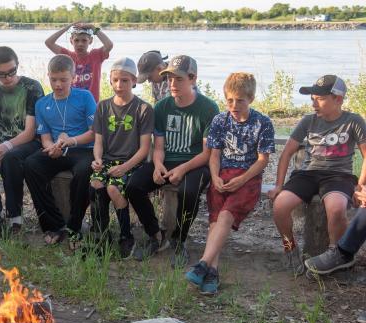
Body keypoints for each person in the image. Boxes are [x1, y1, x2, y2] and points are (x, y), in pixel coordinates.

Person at [125, 55, 219, 268]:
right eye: (169, 79)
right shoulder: (162, 107)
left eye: (179, 79)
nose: (173, 84)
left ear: (193, 78)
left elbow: (207, 154)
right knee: (133, 186)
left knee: (189, 191)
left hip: (195, 163)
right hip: (167, 161)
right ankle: (155, 235)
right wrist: (158, 165)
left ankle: (179, 239)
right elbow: (158, 147)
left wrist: (183, 169)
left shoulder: (208, 108)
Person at [185, 73, 275, 295]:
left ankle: (203, 263)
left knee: (225, 216)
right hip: (222, 175)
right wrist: (215, 177)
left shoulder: (262, 123)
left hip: (248, 177)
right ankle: (212, 272)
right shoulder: (220, 120)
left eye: (240, 100)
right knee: (215, 222)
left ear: (251, 99)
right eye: (230, 100)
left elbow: (263, 160)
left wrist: (242, 179)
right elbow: (214, 155)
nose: (234, 105)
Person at [267, 75, 366, 276]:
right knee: (280, 206)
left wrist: (360, 186)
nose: (314, 104)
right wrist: (279, 185)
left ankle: (337, 254)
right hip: (308, 173)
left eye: (319, 99)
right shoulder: (308, 121)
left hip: (338, 175)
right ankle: (290, 249)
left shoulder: (353, 121)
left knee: (336, 208)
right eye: (312, 99)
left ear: (338, 99)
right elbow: (286, 153)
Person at [24, 54, 97, 248]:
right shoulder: (42, 104)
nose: (58, 84)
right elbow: (45, 137)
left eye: (63, 80)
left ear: (73, 77)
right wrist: (51, 148)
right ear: (48, 76)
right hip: (58, 149)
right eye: (53, 79)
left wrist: (71, 141)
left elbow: (94, 132)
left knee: (83, 172)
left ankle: (74, 227)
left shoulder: (85, 97)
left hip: (83, 148)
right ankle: (53, 224)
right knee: (31, 165)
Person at [0, 46, 44, 235]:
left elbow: (30, 132)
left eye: (12, 71)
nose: (8, 78)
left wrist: (7, 146)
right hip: (4, 143)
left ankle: (15, 218)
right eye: (1, 74)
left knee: (10, 158)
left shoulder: (32, 87)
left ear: (17, 65)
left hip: (29, 143)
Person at [89, 58, 153, 258]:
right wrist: (97, 159)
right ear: (110, 80)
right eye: (115, 80)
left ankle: (126, 236)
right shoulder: (102, 106)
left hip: (132, 162)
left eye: (124, 81)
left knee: (113, 188)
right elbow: (98, 141)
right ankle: (101, 234)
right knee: (96, 184)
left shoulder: (143, 109)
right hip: (107, 160)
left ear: (134, 81)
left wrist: (124, 168)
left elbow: (144, 149)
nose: (119, 85)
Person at [44, 22, 114, 103]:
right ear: (71, 41)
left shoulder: (95, 55)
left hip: (91, 103)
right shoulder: (67, 56)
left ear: (90, 41)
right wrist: (66, 28)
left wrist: (93, 28)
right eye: (76, 40)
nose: (80, 44)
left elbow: (109, 44)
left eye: (84, 40)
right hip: (72, 103)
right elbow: (48, 42)